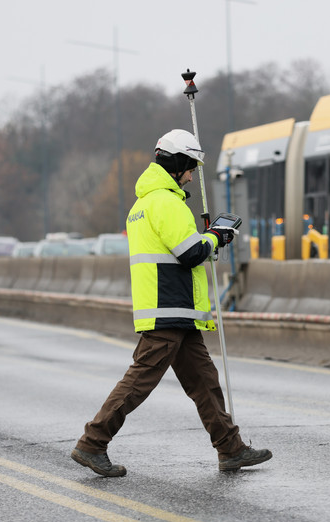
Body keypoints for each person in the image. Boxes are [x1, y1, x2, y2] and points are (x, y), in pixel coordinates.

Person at [71, 129, 272, 476]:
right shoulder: (167, 202)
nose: (192, 174)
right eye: (191, 166)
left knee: (204, 382)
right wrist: (217, 237)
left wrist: (207, 237)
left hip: (174, 311)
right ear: (177, 163)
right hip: (169, 310)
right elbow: (191, 253)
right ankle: (92, 442)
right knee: (138, 382)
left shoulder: (143, 204)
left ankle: (230, 448)